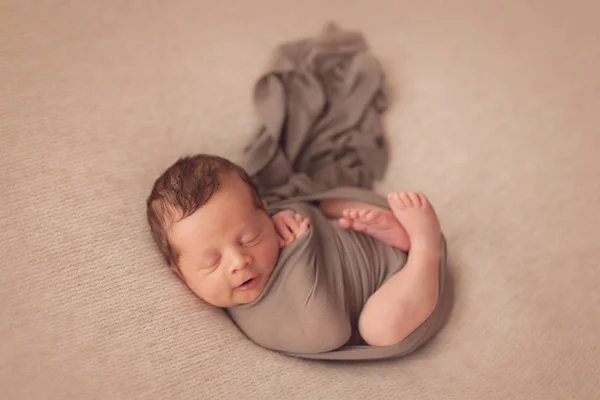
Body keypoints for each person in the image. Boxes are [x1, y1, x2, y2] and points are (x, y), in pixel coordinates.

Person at [146, 154, 443, 354]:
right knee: (379, 329)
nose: (239, 261)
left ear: (263, 209)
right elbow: (329, 333)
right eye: (213, 262)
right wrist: (301, 249)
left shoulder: (273, 220)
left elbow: (303, 208)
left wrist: (289, 216)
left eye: (249, 237)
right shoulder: (259, 322)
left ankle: (386, 223)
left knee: (323, 203)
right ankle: (426, 248)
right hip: (400, 288)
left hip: (355, 238)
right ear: (179, 272)